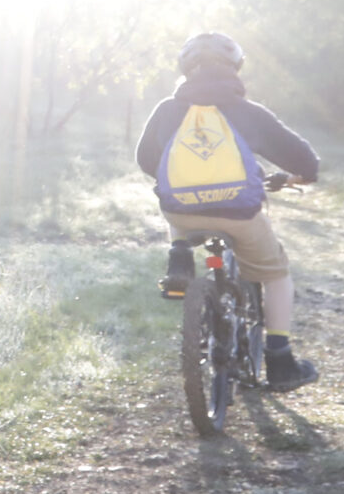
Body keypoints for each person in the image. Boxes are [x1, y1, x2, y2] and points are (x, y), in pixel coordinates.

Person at [134, 32, 321, 392]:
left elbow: (146, 160)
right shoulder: (249, 113)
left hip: (183, 213)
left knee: (175, 203)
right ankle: (280, 361)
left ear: (185, 69)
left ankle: (180, 255)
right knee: (277, 275)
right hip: (239, 214)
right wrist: (299, 176)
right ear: (235, 68)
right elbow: (305, 161)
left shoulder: (167, 109)